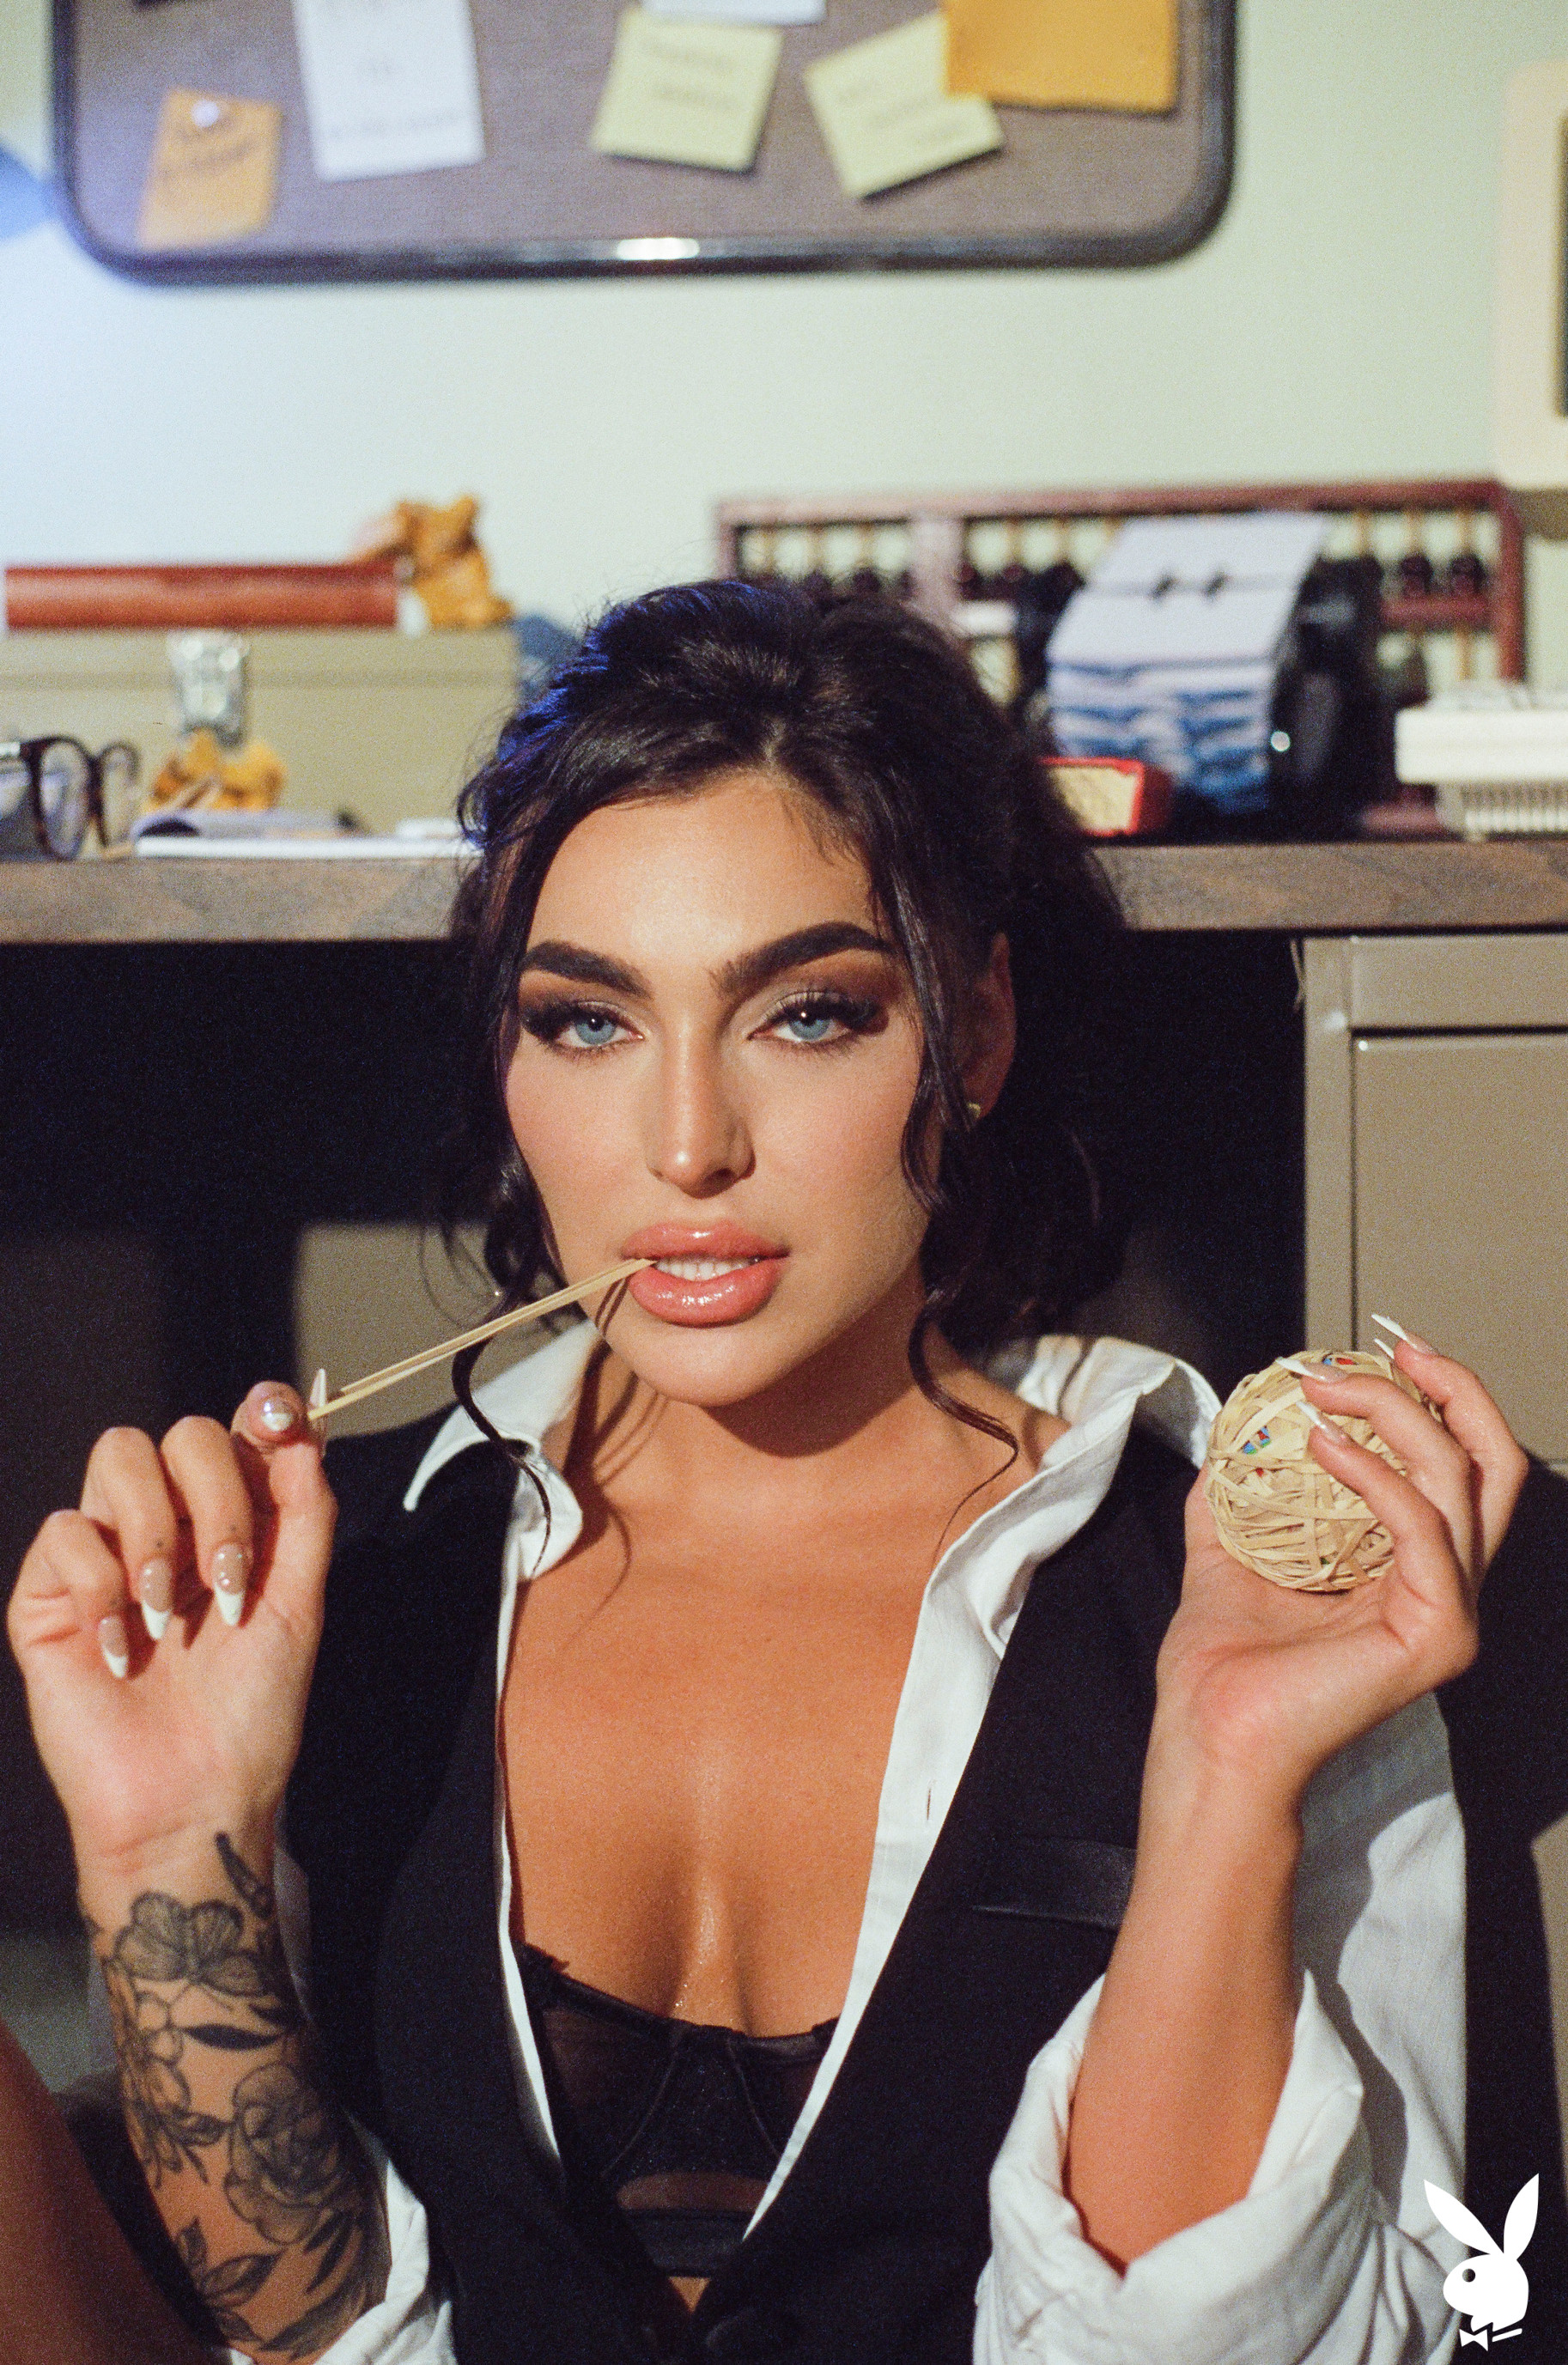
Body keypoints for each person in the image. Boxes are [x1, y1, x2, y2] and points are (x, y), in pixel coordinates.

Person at [3, 581, 1529, 2365]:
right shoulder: (351, 1578)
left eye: (803, 1013)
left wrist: (1221, 1778)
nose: (684, 1147)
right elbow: (318, 2325)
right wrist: (161, 1860)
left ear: (971, 1034)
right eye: (589, 1021)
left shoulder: (1234, 1587)